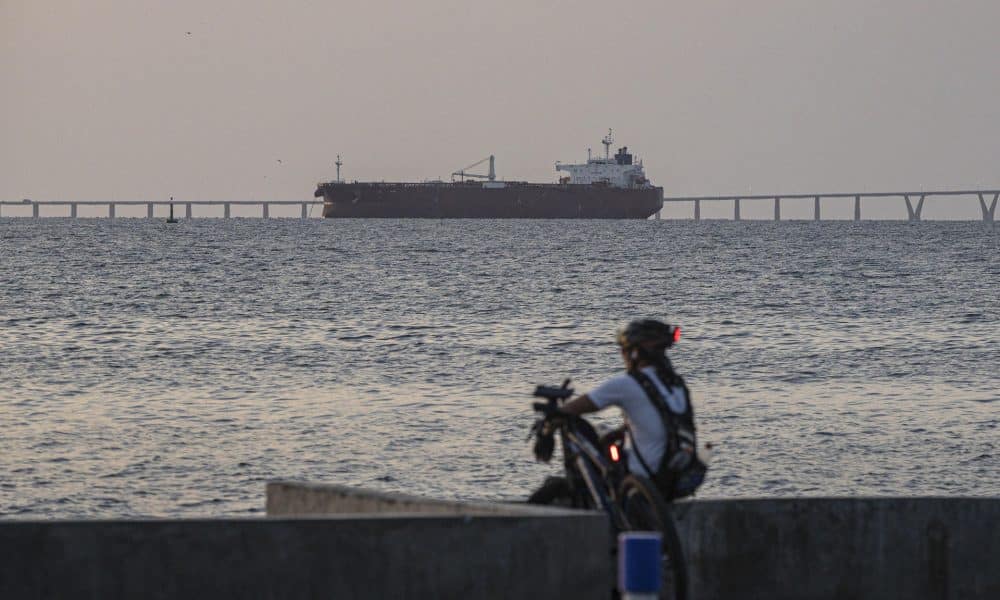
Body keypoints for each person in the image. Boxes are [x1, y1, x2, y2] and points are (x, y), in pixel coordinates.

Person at [559, 319, 695, 490]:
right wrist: (622, 431)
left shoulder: (628, 383)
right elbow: (661, 420)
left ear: (634, 353)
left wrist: (554, 412)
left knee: (587, 435)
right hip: (678, 476)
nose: (622, 355)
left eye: (624, 350)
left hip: (646, 477)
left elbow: (578, 406)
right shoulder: (676, 384)